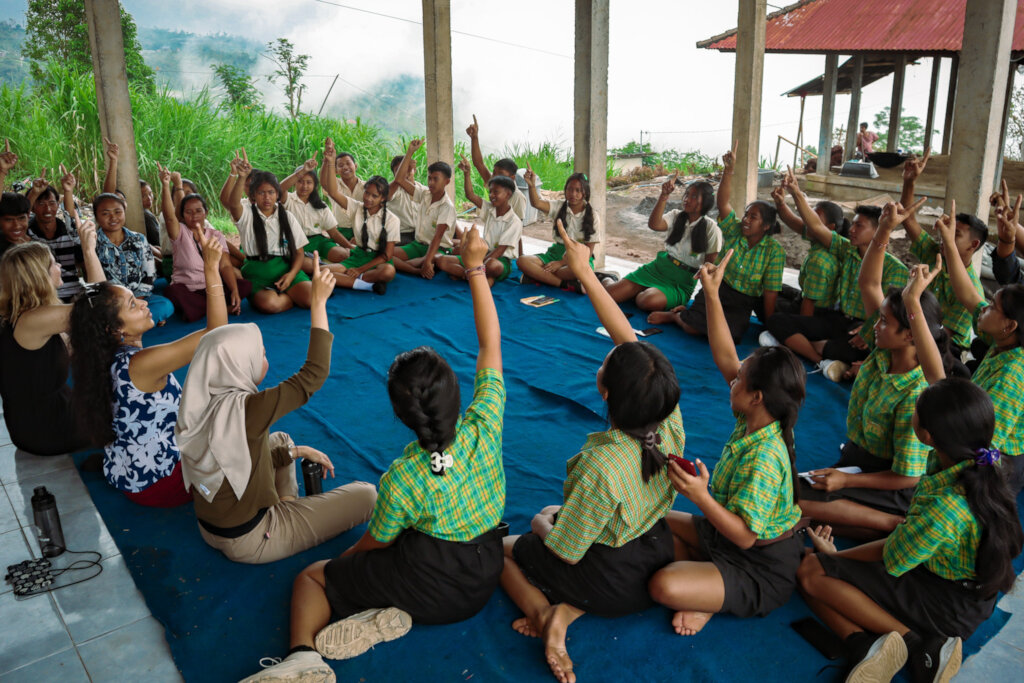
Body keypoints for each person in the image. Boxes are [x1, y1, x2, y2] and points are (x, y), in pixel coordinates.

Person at [239, 226, 504, 682]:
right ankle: (378, 612)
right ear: (458, 395)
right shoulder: (485, 424)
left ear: (403, 415)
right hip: (483, 576)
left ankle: (301, 658)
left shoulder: (403, 475)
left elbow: (373, 543)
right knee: (413, 543)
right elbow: (490, 345)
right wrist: (475, 267)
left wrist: (346, 566)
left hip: (432, 586)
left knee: (312, 577)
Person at [501, 222, 682, 683]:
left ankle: (545, 614)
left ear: (604, 392)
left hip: (615, 583)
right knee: (562, 514)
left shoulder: (602, 463)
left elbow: (565, 552)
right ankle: (566, 613)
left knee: (500, 549)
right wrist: (583, 272)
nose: (606, 358)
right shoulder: (669, 417)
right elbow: (628, 339)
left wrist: (542, 523)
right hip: (658, 551)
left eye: (603, 363)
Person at [797, 378, 1023, 683]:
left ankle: (920, 647)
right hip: (961, 585)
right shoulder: (978, 463)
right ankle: (864, 645)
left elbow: (892, 556)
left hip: (947, 604)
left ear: (927, 435)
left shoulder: (947, 507)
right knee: (832, 561)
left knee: (812, 571)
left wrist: (837, 557)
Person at [647, 248, 806, 639]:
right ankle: (709, 585)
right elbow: (724, 356)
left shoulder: (766, 456)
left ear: (756, 396)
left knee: (662, 584)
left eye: (741, 379)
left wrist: (700, 497)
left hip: (760, 565)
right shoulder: (757, 416)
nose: (733, 378)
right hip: (725, 537)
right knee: (651, 525)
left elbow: (745, 537)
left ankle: (714, 598)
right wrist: (712, 293)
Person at [178, 255, 377, 565]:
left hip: (211, 527)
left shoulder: (197, 398)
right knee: (368, 495)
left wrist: (296, 452)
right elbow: (313, 374)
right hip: (252, 539)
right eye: (260, 354)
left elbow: (236, 449)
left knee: (282, 441)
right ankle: (285, 513)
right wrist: (318, 303)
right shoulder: (248, 409)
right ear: (239, 367)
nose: (265, 358)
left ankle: (285, 502)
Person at [798, 202, 954, 538]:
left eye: (885, 322)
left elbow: (909, 475)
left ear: (911, 335)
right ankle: (849, 514)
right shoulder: (883, 353)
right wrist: (884, 229)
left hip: (892, 482)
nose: (876, 327)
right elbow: (869, 283)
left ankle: (894, 523)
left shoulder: (917, 392)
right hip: (860, 460)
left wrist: (849, 479)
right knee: (796, 500)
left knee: (797, 504)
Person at [69, 230, 227, 507]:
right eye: (133, 305)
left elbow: (102, 303)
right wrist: (211, 269)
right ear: (115, 328)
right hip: (162, 483)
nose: (143, 303)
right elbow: (217, 333)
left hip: (127, 473)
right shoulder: (140, 364)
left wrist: (89, 251)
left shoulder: (100, 351)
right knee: (242, 427)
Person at [766, 168, 909, 381]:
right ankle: (820, 359)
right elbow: (813, 226)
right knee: (777, 321)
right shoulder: (846, 249)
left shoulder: (896, 269)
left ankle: (812, 348)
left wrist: (869, 329)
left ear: (878, 230)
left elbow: (897, 315)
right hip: (837, 320)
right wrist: (795, 192)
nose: (851, 229)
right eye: (853, 224)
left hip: (863, 327)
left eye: (859, 225)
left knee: (863, 350)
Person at [933, 200, 1024, 492]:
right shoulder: (1002, 338)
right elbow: (968, 294)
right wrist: (948, 242)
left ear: (1009, 325)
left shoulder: (1013, 373)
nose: (984, 308)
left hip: (1001, 459)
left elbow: (989, 447)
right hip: (979, 433)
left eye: (993, 307)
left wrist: (958, 482)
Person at [0, 225, 104, 455]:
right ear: (41, 276)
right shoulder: (32, 319)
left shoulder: (30, 314)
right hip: (45, 430)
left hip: (37, 418)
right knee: (130, 412)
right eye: (53, 263)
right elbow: (101, 305)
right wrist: (89, 252)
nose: (59, 267)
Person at [669, 144, 785, 342]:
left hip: (742, 302)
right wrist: (728, 171)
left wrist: (770, 324)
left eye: (753, 217)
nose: (746, 220)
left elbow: (770, 291)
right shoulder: (734, 229)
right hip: (718, 289)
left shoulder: (774, 252)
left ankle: (684, 314)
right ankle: (676, 317)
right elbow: (722, 202)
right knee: (691, 328)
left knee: (727, 337)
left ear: (766, 226)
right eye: (746, 215)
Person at [899, 149, 986, 355]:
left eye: (955, 233)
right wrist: (909, 182)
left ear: (972, 245)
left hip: (944, 346)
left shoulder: (971, 289)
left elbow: (941, 336)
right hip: (914, 330)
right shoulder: (935, 252)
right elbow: (907, 218)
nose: (944, 235)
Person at [611, 170, 718, 312]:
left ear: (705, 202)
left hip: (681, 282)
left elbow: (710, 266)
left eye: (693, 196)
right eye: (686, 195)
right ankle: (610, 278)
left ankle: (642, 291)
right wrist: (664, 195)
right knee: (609, 295)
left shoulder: (711, 228)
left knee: (646, 301)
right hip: (658, 268)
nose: (687, 199)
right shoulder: (676, 215)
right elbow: (654, 225)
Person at [221, 150, 314, 314]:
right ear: (253, 195)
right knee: (271, 305)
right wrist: (240, 176)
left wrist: (291, 275)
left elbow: (299, 253)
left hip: (284, 268)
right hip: (257, 272)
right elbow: (232, 203)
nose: (267, 197)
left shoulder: (287, 216)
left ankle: (287, 291)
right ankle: (287, 298)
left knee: (312, 299)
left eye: (271, 192)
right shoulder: (246, 213)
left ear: (277, 194)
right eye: (261, 193)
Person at [157, 164, 251, 321]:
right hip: (187, 288)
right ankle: (218, 307)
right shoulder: (179, 232)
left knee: (244, 286)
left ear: (206, 213)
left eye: (198, 211)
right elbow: (169, 217)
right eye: (188, 212)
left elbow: (226, 266)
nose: (194, 215)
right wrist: (166, 185)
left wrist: (234, 290)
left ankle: (204, 308)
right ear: (182, 214)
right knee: (173, 292)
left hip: (211, 287)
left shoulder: (215, 235)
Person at [321, 139, 397, 294]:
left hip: (378, 261)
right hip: (359, 255)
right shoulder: (357, 207)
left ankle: (357, 277)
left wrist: (359, 269)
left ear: (383, 198)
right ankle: (367, 285)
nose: (368, 198)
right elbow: (334, 192)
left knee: (388, 271)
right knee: (321, 272)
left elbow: (387, 255)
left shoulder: (391, 220)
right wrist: (329, 161)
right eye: (366, 193)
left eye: (374, 196)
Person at [91, 191, 174, 325]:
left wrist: (135, 302)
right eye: (106, 213)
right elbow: (95, 284)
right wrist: (121, 304)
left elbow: (149, 275)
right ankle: (141, 322)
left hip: (139, 298)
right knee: (96, 313)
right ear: (96, 216)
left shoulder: (138, 239)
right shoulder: (92, 243)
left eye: (118, 212)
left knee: (165, 304)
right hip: (110, 303)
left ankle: (123, 326)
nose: (113, 218)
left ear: (124, 212)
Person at [436, 161, 521, 286]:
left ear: (508, 194)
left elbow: (500, 251)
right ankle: (478, 277)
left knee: (492, 265)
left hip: (500, 260)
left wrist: (476, 264)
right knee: (441, 260)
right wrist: (467, 174)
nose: (491, 195)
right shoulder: (490, 209)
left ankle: (468, 274)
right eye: (490, 192)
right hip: (483, 255)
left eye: (496, 192)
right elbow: (470, 195)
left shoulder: (514, 221)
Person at [764, 187, 845, 317]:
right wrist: (780, 203)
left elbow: (809, 305)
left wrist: (799, 327)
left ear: (830, 227)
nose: (807, 223)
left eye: (813, 219)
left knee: (764, 296)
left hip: (817, 313)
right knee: (774, 287)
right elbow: (791, 220)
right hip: (814, 301)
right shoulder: (824, 242)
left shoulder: (819, 260)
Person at [517, 167, 602, 291]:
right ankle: (564, 284)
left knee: (577, 271)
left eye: (578, 190)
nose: (573, 194)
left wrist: (561, 263)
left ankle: (539, 276)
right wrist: (531, 185)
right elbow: (537, 203)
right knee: (522, 261)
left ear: (585, 193)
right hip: (555, 253)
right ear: (565, 190)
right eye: (570, 189)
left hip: (578, 258)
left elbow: (588, 252)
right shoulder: (559, 206)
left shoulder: (593, 215)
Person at [391, 140, 458, 279]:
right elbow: (399, 179)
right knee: (385, 254)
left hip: (438, 248)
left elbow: (438, 237)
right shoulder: (424, 194)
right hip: (417, 245)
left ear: (447, 182)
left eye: (436, 179)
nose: (431, 182)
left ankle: (422, 264)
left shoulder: (447, 207)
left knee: (430, 260)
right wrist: (410, 152)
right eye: (429, 178)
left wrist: (428, 260)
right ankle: (416, 269)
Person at [279, 154, 352, 270]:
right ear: (295, 183)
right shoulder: (288, 200)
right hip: (296, 244)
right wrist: (303, 170)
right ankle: (333, 269)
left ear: (314, 185)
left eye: (309, 182)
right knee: (306, 264)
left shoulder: (321, 206)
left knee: (343, 255)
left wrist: (350, 248)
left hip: (319, 241)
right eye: (300, 181)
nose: (304, 186)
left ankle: (324, 269)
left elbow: (334, 233)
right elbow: (279, 188)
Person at [27, 166, 85, 301]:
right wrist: (35, 192)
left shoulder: (68, 231)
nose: (47, 208)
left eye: (52, 203)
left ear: (58, 205)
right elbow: (22, 216)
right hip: (43, 298)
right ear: (33, 208)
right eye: (40, 203)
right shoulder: (28, 233)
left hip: (74, 295)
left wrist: (68, 190)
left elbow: (70, 216)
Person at [465, 115, 528, 219]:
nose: (494, 177)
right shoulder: (495, 183)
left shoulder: (518, 197)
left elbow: (517, 226)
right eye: (494, 173)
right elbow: (479, 164)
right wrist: (474, 137)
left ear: (512, 178)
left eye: (501, 174)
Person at [320, 148, 364, 241]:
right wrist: (327, 161)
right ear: (336, 171)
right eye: (340, 165)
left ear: (355, 166)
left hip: (362, 230)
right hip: (340, 231)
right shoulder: (334, 185)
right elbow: (324, 181)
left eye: (348, 163)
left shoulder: (366, 187)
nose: (345, 167)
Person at [387, 146, 428, 237]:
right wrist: (410, 152)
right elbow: (387, 195)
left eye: (407, 168)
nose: (404, 172)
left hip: (421, 234)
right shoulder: (393, 189)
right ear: (394, 174)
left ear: (415, 169)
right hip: (400, 235)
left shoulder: (424, 190)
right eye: (399, 170)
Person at [0, 191, 32, 259]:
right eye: (9, 220)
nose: (16, 226)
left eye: (21, 218)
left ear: (28, 217)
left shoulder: (38, 243)